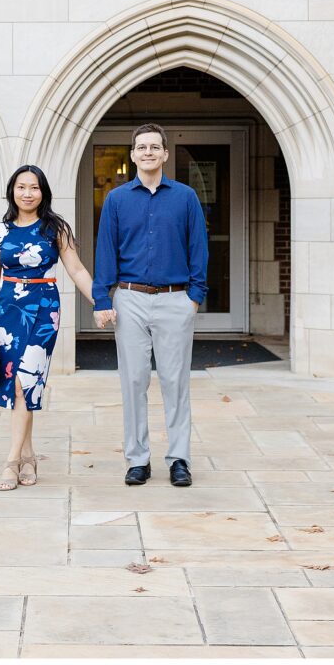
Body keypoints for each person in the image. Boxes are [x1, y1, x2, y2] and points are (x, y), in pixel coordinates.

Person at [93, 123, 208, 488]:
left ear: (165, 154)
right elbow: (106, 251)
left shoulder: (185, 197)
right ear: (132, 154)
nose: (147, 153)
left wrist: (195, 297)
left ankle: (179, 459)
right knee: (133, 380)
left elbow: (198, 247)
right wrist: (102, 298)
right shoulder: (116, 199)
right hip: (130, 299)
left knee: (175, 382)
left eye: (154, 147)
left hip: (176, 299)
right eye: (141, 147)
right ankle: (137, 459)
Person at [0, 165, 95, 491]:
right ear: (12, 191)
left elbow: (77, 269)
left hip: (43, 311)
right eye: (21, 187)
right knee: (14, 384)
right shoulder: (0, 231)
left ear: (43, 192)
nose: (27, 193)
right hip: (6, 313)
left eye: (34, 187)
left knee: (25, 382)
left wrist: (100, 301)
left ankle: (11, 460)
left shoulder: (55, 229)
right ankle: (28, 454)